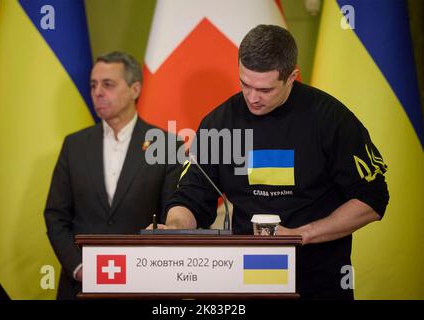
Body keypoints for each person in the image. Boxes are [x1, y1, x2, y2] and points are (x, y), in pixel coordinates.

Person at [152, 25, 389, 299]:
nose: (252, 98)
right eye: (245, 84)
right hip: (246, 280)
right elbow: (193, 195)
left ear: (292, 77)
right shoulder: (220, 122)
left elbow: (372, 199)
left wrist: (300, 235)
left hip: (318, 280)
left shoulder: (332, 119)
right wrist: (175, 230)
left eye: (265, 89)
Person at [44, 51, 182, 299]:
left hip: (143, 285)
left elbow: (171, 219)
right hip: (80, 286)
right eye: (93, 85)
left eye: (108, 84)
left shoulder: (167, 146)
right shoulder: (74, 145)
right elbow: (55, 215)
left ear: (135, 89)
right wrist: (80, 268)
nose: (97, 92)